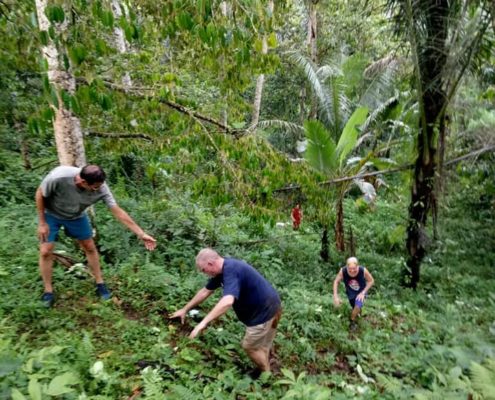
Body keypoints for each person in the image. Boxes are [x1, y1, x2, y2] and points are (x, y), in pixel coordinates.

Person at [36, 164, 156, 307]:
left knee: (89, 246)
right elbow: (40, 193)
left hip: (76, 216)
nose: (98, 190)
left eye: (100, 186)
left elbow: (117, 211)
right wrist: (42, 223)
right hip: (52, 214)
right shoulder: (59, 176)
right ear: (82, 181)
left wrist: (141, 233)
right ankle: (48, 291)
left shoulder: (101, 187)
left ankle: (100, 283)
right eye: (94, 187)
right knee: (45, 251)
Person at [170, 248, 282, 375]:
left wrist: (203, 323)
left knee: (250, 347)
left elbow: (228, 301)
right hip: (272, 307)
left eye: (203, 270)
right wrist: (185, 309)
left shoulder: (231, 270)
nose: (204, 273)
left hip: (263, 314)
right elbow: (205, 291)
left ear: (210, 264)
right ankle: (264, 365)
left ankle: (265, 374)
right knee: (261, 345)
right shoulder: (224, 269)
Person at [332, 257, 374, 330]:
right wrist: (336, 297)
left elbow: (371, 281)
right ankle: (358, 313)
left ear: (357, 266)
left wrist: (363, 292)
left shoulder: (362, 270)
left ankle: (352, 321)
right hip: (350, 292)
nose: (352, 271)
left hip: (361, 291)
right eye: (350, 268)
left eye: (354, 268)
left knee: (357, 305)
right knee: (354, 306)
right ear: (347, 266)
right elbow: (336, 282)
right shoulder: (343, 271)